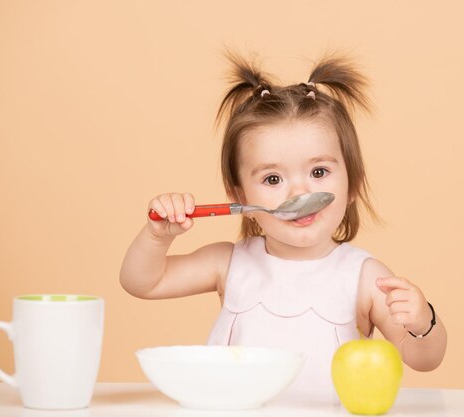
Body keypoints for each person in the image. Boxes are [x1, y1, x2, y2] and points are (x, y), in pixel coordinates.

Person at [120, 53, 447, 405]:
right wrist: (157, 237)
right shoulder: (229, 264)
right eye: (273, 178)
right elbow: (142, 282)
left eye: (318, 172)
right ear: (239, 196)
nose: (298, 193)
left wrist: (422, 322)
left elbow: (423, 359)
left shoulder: (364, 277)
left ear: (352, 186)